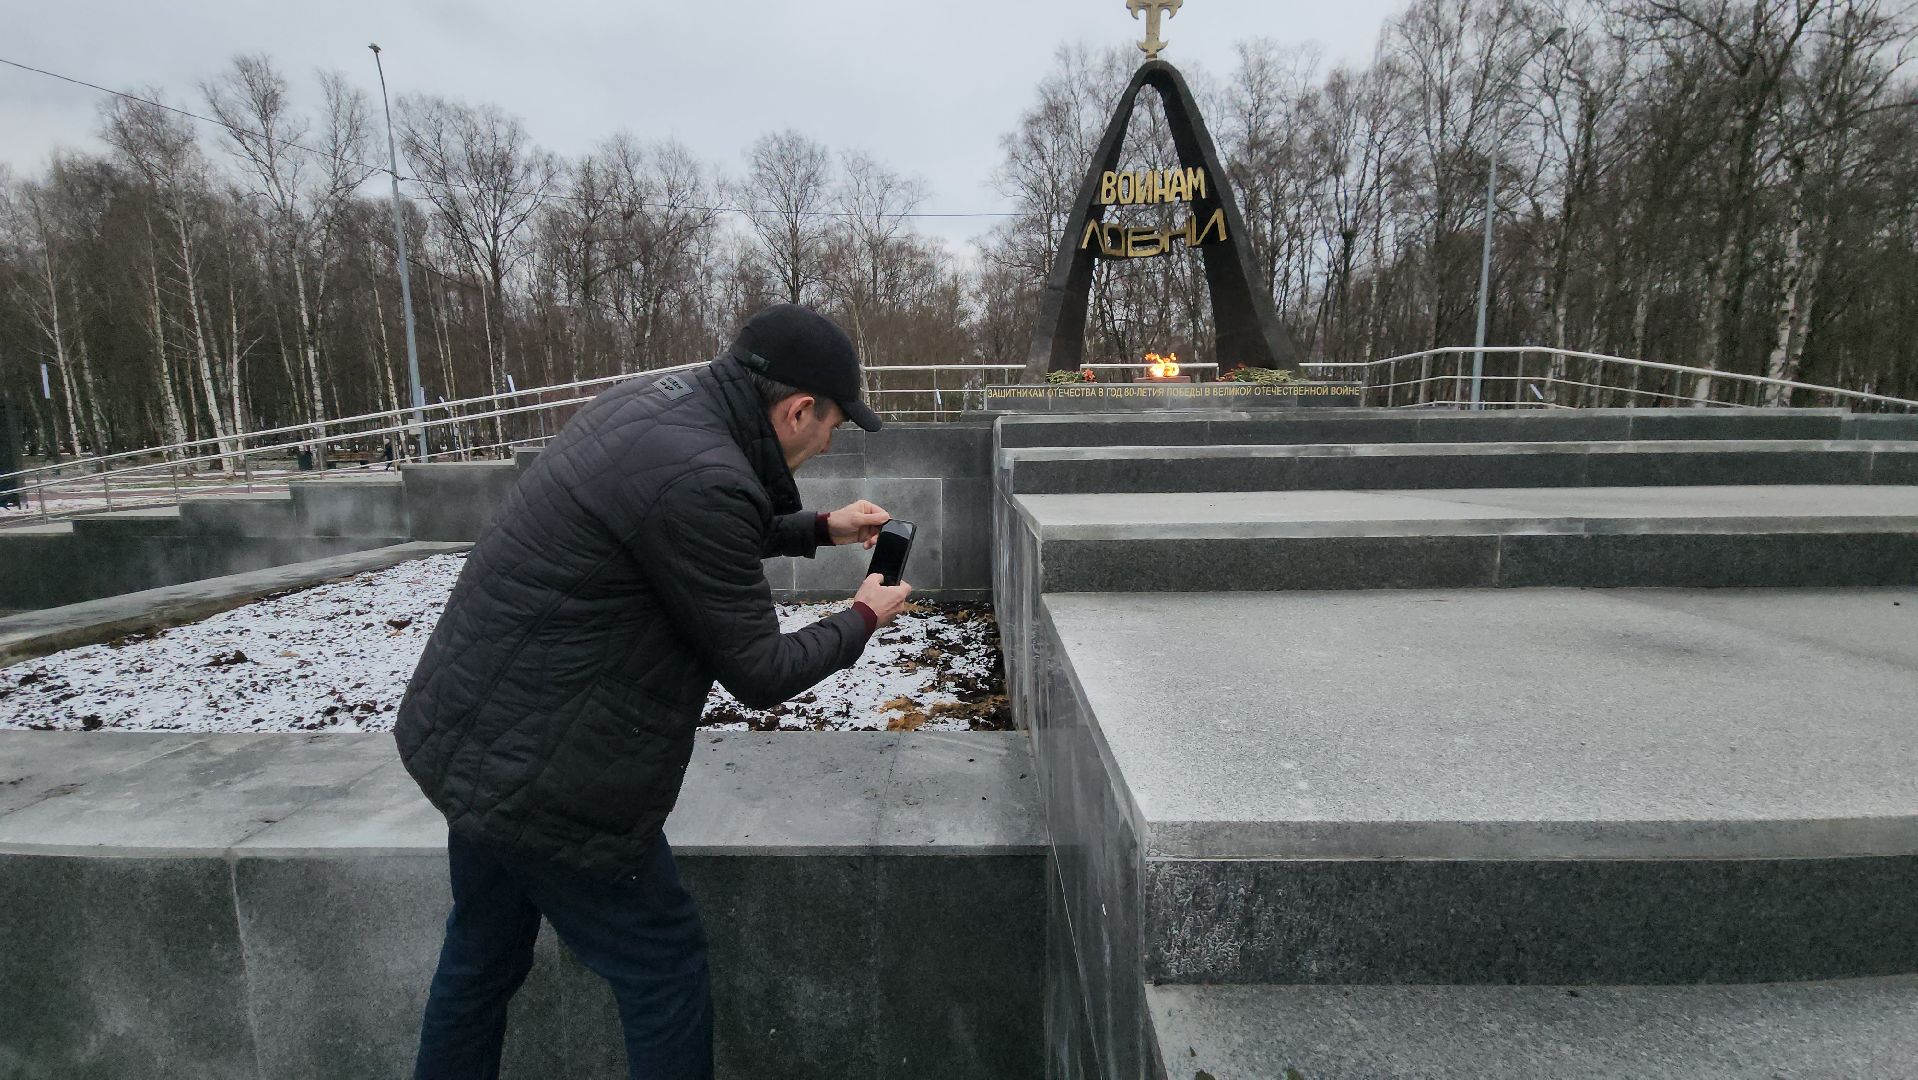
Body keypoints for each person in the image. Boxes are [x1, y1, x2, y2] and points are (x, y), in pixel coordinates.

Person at [395, 304, 912, 1080]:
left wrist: (817, 528)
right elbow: (759, 671)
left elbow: (679, 518)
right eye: (833, 424)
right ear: (797, 408)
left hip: (476, 735)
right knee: (664, 971)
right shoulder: (705, 475)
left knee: (481, 960)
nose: (829, 441)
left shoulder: (656, 406)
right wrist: (864, 615)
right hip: (550, 778)